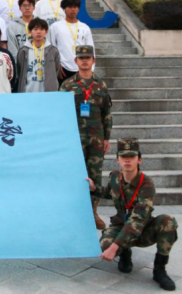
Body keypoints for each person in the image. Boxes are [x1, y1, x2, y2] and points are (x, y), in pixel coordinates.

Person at [88, 138, 178, 291]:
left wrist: (115, 247)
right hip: (121, 225)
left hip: (143, 229)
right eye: (123, 157)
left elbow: (138, 219)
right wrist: (94, 189)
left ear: (139, 159)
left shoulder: (147, 184)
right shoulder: (114, 177)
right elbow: (109, 193)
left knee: (168, 222)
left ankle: (159, 270)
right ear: (117, 160)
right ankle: (125, 254)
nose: (127, 160)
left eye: (132, 156)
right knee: (104, 246)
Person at [60, 45, 112, 230]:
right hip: (75, 138)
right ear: (75, 61)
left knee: (95, 175)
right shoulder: (67, 85)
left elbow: (106, 114)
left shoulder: (101, 85)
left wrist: (106, 138)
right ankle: (74, 212)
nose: (84, 61)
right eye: (81, 58)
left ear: (93, 61)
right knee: (75, 175)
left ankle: (93, 212)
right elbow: (61, 113)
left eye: (87, 58)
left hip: (96, 138)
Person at [49, 0, 94, 84]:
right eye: (69, 7)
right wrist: (56, 65)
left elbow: (91, 49)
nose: (73, 9)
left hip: (82, 68)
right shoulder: (55, 27)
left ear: (78, 9)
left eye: (75, 7)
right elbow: (51, 47)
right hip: (63, 68)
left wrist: (91, 69)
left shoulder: (85, 27)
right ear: (64, 9)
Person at [16, 18, 60, 93]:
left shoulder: (53, 51)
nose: (38, 32)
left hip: (48, 93)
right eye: (35, 29)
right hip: (28, 92)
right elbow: (20, 71)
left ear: (46, 31)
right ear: (30, 32)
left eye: (42, 29)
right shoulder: (23, 51)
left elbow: (56, 70)